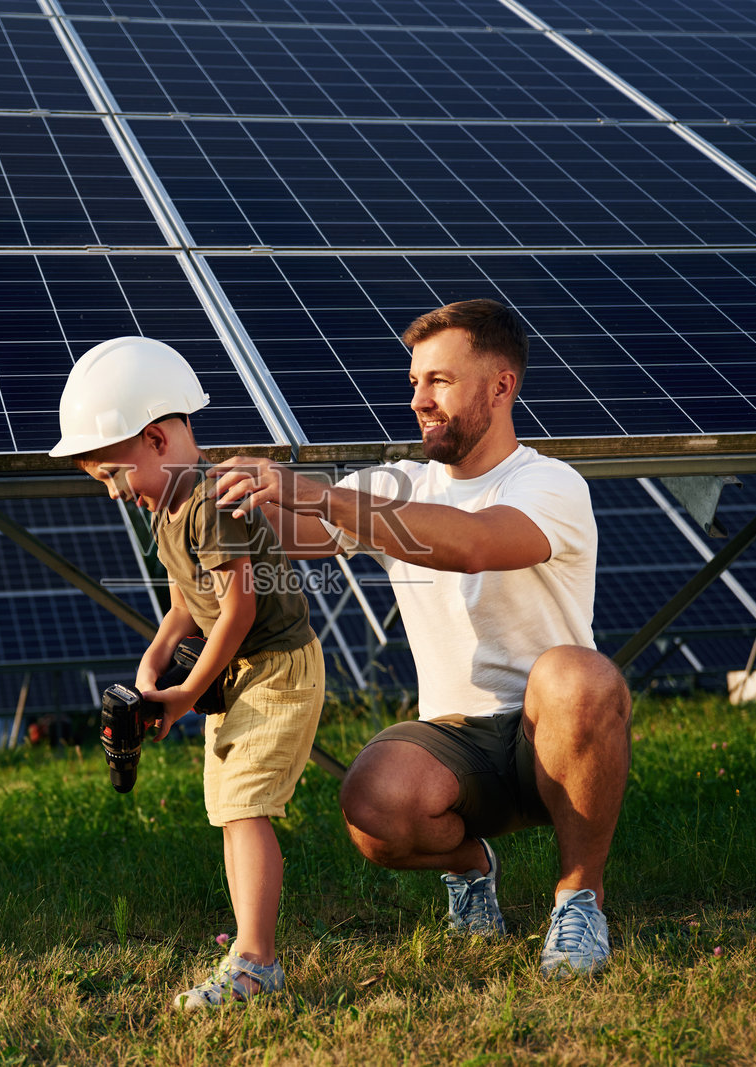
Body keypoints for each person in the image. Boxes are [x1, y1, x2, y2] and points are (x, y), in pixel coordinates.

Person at [212, 299, 632, 978]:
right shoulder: (397, 483)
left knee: (579, 676)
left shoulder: (549, 483)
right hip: (457, 743)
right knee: (372, 802)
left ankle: (580, 897)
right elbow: (298, 535)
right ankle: (471, 870)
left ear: (501, 386)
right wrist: (202, 498)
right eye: (414, 383)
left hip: (547, 732)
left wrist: (311, 491)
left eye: (439, 380)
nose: (419, 400)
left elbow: (470, 543)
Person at [50, 336, 325, 1008]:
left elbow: (237, 608)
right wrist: (154, 661)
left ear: (155, 439)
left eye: (114, 476)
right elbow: (185, 603)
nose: (116, 495)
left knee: (247, 805)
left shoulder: (207, 501)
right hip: (236, 673)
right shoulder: (168, 510)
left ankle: (256, 960)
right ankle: (248, 947)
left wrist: (184, 693)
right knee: (230, 810)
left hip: (274, 667)